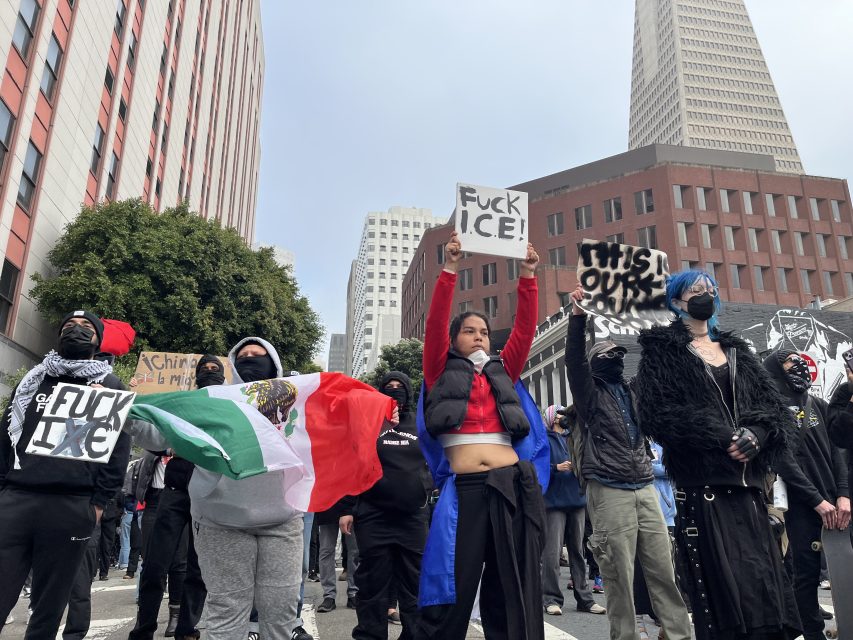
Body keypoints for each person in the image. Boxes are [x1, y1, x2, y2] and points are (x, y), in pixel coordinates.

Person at [635, 269, 801, 640]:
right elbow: (658, 413)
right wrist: (722, 435)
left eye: (710, 289)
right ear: (677, 300)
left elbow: (772, 409)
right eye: (695, 290)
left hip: (749, 487)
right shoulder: (663, 350)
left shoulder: (738, 351)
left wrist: (757, 435)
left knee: (764, 587)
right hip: (706, 487)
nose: (704, 294)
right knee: (725, 591)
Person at [415, 232, 549, 640]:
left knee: (513, 588)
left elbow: (524, 331)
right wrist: (449, 269)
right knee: (452, 584)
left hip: (512, 488)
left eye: (485, 332)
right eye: (470, 331)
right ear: (455, 339)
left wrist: (527, 276)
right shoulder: (438, 372)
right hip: (467, 490)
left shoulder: (502, 372)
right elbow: (436, 323)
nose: (479, 336)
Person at [129, 337, 304, 640]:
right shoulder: (210, 400)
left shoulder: (297, 400)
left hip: (282, 520)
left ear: (274, 363)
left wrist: (384, 416)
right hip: (222, 521)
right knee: (227, 610)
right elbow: (158, 434)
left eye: (257, 355)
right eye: (243, 355)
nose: (250, 359)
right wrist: (119, 409)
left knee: (281, 611)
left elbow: (337, 426)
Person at [565, 285, 691, 640]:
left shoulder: (633, 390)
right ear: (594, 365)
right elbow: (573, 359)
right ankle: (625, 636)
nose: (616, 359)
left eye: (619, 355)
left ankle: (677, 633)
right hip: (608, 489)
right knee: (618, 574)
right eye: (607, 356)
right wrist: (578, 318)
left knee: (663, 570)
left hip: (644, 485)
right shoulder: (589, 395)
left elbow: (659, 366)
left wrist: (668, 320)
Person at [0, 310, 131, 638]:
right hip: (16, 499)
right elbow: (5, 436)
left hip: (72, 505)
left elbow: (118, 451)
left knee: (49, 605)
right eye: (69, 326)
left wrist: (99, 503)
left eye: (86, 327)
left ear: (98, 340)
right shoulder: (32, 379)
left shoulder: (110, 385)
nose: (76, 330)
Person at [127, 356, 223, 640]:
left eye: (214, 369)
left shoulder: (228, 407)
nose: (209, 372)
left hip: (208, 496)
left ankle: (186, 628)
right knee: (155, 564)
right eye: (204, 369)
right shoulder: (183, 406)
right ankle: (143, 628)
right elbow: (157, 436)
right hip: (175, 492)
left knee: (197, 566)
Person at [763, 349, 850, 640]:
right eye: (790, 364)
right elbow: (784, 463)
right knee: (807, 574)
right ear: (777, 372)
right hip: (803, 506)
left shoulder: (818, 404)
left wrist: (843, 494)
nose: (799, 367)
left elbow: (837, 452)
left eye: (800, 362)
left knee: (845, 567)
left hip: (837, 501)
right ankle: (813, 633)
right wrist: (817, 502)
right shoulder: (771, 412)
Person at [339, 371, 431, 640]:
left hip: (412, 517)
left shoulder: (421, 424)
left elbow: (438, 458)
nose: (394, 391)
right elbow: (352, 463)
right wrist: (346, 508)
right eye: (388, 387)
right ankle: (370, 635)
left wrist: (426, 485)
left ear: (408, 392)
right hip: (373, 515)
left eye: (399, 387)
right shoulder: (369, 423)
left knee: (414, 585)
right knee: (372, 584)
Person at [540, 405, 604, 617]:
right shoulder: (544, 439)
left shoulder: (573, 437)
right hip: (553, 503)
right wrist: (555, 468)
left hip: (576, 500)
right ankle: (551, 598)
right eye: (558, 413)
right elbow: (535, 467)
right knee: (552, 552)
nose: (562, 415)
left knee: (578, 551)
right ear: (552, 418)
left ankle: (585, 599)